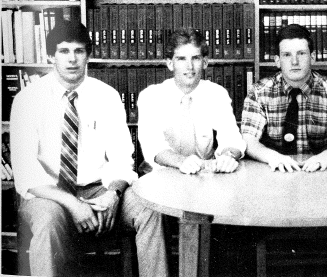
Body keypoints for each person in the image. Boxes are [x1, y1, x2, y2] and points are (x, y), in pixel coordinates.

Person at [10, 20, 168, 276]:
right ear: (51, 56)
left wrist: (112, 196)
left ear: (88, 54)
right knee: (48, 221)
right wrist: (74, 205)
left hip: (100, 190)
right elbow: (28, 175)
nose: (72, 59)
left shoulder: (106, 95)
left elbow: (122, 160)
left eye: (79, 51)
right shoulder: (27, 100)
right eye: (64, 51)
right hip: (51, 196)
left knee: (149, 209)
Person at [241, 24, 327, 172]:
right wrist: (272, 157)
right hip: (274, 172)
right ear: (277, 61)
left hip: (322, 172)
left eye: (301, 53)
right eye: (287, 55)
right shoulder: (259, 93)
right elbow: (248, 140)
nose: (294, 62)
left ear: (312, 57)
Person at [137, 28, 245, 174]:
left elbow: (231, 137)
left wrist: (228, 156)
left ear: (205, 62)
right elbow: (152, 145)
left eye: (195, 58)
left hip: (204, 173)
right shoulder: (151, 96)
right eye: (181, 59)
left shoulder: (216, 93)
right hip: (163, 172)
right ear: (170, 63)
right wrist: (181, 162)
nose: (189, 66)